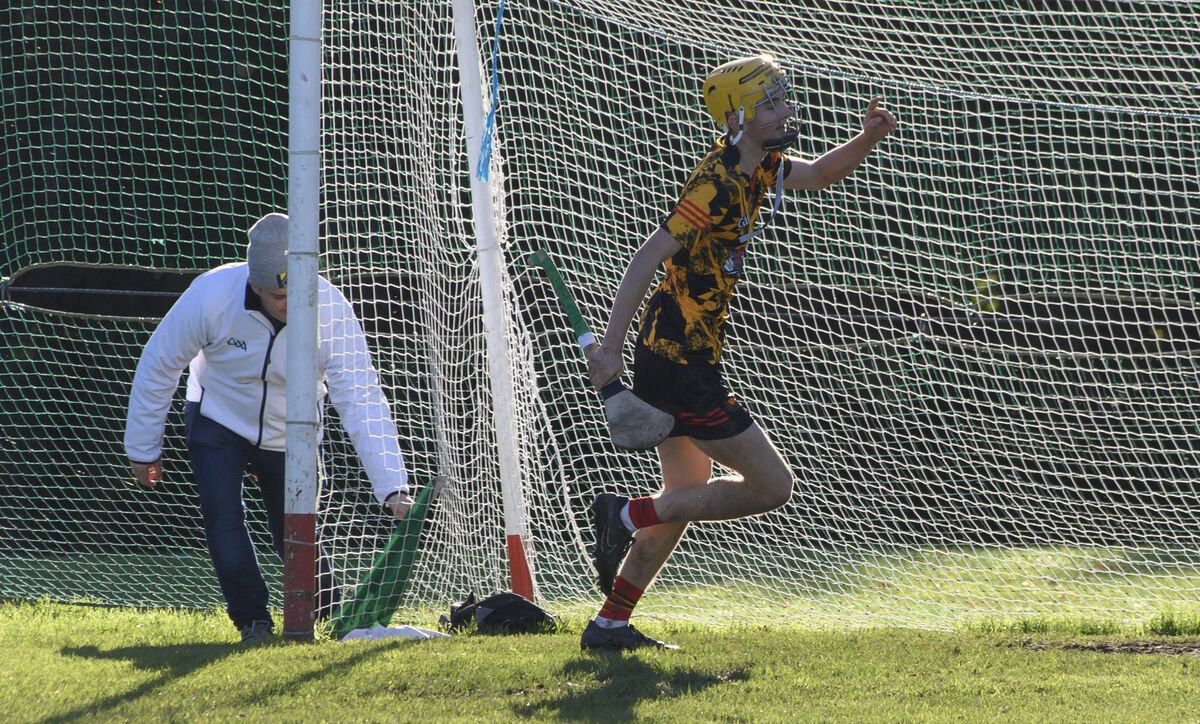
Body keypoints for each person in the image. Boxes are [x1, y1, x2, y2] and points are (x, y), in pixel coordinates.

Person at [580, 54, 898, 651]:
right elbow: (646, 257)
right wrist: (611, 350)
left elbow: (819, 174)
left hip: (679, 353)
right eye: (768, 105)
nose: (782, 112)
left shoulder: (764, 163)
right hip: (679, 362)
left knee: (682, 498)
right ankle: (622, 516)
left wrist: (865, 139)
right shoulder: (716, 181)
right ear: (735, 118)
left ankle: (610, 624)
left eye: (781, 99)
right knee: (773, 487)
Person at [124, 212, 414, 644]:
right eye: (279, 294)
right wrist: (144, 450)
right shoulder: (211, 294)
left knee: (294, 528)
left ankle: (335, 615)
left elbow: (361, 397)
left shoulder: (331, 311)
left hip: (291, 433)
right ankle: (252, 621)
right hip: (217, 417)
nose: (291, 301)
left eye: (299, 288)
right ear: (254, 285)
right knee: (222, 517)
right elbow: (159, 364)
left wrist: (392, 486)